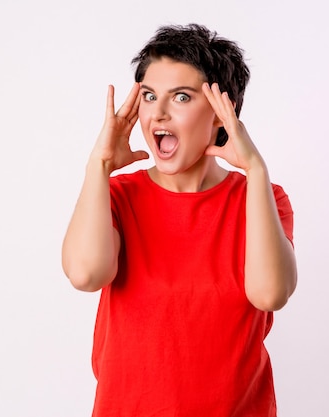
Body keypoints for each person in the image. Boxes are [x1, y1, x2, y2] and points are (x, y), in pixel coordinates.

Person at [62, 23, 297, 417]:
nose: (158, 113)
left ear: (223, 115)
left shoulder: (264, 198)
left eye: (182, 97)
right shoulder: (117, 196)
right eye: (150, 97)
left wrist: (256, 169)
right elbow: (86, 274)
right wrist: (99, 165)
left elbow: (270, 294)